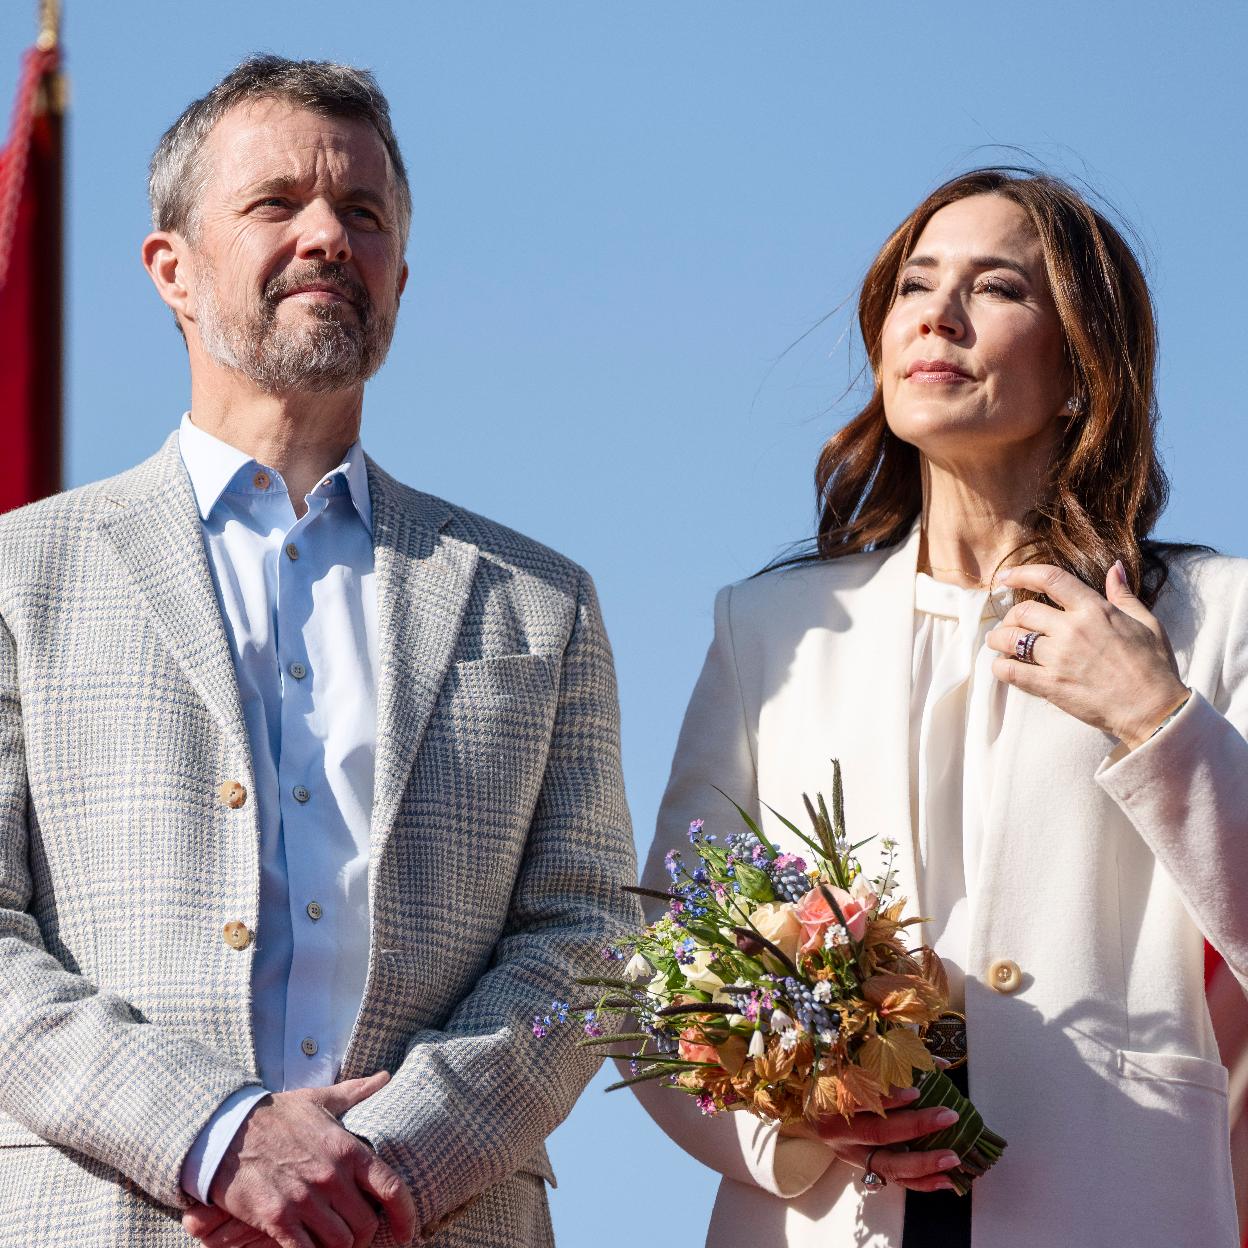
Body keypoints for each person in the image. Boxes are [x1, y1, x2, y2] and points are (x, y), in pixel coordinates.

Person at [0, 55, 637, 1248]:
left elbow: (589, 937)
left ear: (401, 271)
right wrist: (218, 1138)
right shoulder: (20, 575)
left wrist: (382, 1164)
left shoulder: (538, 602)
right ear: (171, 270)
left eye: (364, 214)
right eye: (276, 204)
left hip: (440, 1220)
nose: (328, 236)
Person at [631, 168, 1248, 1246]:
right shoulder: (767, 629)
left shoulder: (1211, 617)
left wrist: (1157, 719)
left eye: (997, 286)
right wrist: (795, 1123)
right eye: (916, 283)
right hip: (830, 1217)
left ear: (1080, 367)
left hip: (1115, 1202)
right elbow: (660, 956)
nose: (938, 314)